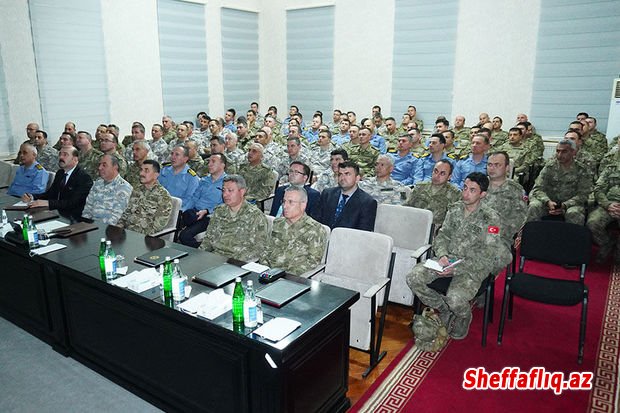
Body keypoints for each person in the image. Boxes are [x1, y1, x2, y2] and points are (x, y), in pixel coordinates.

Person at [406, 172, 510, 340]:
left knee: (455, 298)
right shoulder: (454, 209)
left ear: (483, 194)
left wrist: (455, 269)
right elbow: (443, 235)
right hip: (447, 259)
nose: (465, 193)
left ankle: (463, 316)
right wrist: (442, 255)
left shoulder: (491, 218)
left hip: (471, 267)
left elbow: (487, 256)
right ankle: (444, 309)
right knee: (413, 277)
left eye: (472, 190)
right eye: (465, 188)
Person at [199, 175, 269, 262]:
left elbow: (259, 249)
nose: (225, 194)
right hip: (215, 258)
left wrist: (233, 262)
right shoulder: (219, 211)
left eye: (230, 191)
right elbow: (208, 240)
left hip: (237, 263)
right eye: (223, 190)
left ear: (242, 192)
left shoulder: (255, 216)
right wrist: (199, 257)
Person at [261, 186, 327, 275]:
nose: (285, 206)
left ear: (303, 205)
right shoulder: (277, 223)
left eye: (290, 202)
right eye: (284, 201)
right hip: (267, 273)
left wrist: (283, 275)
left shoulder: (315, 230)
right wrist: (264, 269)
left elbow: (312, 262)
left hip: (291, 278)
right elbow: (266, 249)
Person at [526, 140, 592, 225]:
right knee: (534, 206)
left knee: (574, 213)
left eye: (564, 151)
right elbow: (538, 188)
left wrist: (565, 205)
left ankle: (571, 238)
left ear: (573, 152)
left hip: (570, 204)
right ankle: (529, 235)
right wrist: (547, 202)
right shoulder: (549, 167)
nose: (560, 155)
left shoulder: (582, 170)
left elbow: (584, 194)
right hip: (548, 202)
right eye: (558, 151)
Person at [22, 146, 93, 220]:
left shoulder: (84, 177)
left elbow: (73, 203)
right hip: (57, 212)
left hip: (73, 217)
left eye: (65, 154)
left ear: (75, 159)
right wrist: (32, 197)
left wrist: (48, 203)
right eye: (60, 154)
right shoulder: (60, 173)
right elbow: (50, 194)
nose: (61, 157)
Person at [178, 153, 227, 248]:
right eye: (209, 162)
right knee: (176, 221)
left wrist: (207, 211)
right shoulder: (205, 180)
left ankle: (205, 251)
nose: (209, 164)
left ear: (222, 165)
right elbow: (194, 198)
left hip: (209, 216)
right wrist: (183, 210)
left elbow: (225, 204)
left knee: (184, 236)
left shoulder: (227, 182)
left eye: (213, 162)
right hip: (195, 213)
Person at [317, 161, 377, 231]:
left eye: (347, 174)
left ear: (357, 178)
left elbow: (363, 233)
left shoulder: (367, 202)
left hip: (348, 240)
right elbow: (317, 220)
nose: (342, 178)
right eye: (340, 174)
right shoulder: (327, 194)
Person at [483, 151, 527, 247]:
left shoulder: (515, 190)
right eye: (489, 164)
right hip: (474, 232)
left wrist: (492, 230)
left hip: (500, 237)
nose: (492, 168)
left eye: (497, 165)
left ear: (507, 168)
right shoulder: (479, 184)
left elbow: (519, 220)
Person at [117, 160, 172, 236]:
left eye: (146, 171)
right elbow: (126, 213)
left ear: (156, 175)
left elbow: (158, 226)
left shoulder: (163, 196)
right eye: (141, 170)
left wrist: (139, 237)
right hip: (126, 233)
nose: (141, 173)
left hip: (144, 238)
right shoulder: (136, 190)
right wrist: (117, 228)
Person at [403, 160, 460, 227]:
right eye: (435, 171)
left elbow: (453, 220)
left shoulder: (455, 194)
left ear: (449, 177)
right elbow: (406, 208)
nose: (437, 176)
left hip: (436, 230)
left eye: (442, 173)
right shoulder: (420, 187)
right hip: (414, 225)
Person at [81, 154, 133, 225]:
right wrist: (85, 224)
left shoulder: (124, 187)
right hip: (90, 225)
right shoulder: (97, 183)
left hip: (108, 229)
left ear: (115, 167)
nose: (99, 168)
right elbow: (87, 208)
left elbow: (117, 217)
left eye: (104, 165)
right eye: (100, 165)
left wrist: (99, 229)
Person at [586, 162, 620, 263]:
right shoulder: (611, 168)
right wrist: (607, 204)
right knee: (592, 223)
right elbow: (598, 189)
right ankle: (607, 243)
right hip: (608, 204)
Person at [158, 145, 200, 211]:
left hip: (176, 210)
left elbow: (190, 200)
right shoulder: (163, 170)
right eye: (172, 154)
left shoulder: (191, 177)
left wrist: (180, 211)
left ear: (185, 159)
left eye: (177, 155)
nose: (173, 157)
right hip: (158, 205)